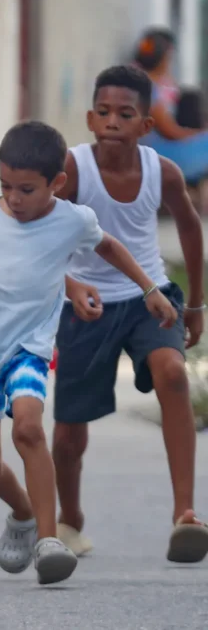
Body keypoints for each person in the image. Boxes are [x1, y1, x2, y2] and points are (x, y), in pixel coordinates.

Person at [0, 120, 179, 585]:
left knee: (28, 427)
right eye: (6, 185)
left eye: (26, 189)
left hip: (29, 346)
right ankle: (23, 513)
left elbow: (110, 247)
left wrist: (149, 289)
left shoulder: (73, 221)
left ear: (56, 183)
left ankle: (49, 540)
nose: (14, 198)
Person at [51, 65, 208, 563]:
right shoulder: (72, 169)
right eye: (103, 112)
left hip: (150, 297)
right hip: (86, 306)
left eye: (125, 113)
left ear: (146, 125)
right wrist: (66, 286)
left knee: (173, 374)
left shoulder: (163, 171)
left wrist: (196, 304)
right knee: (69, 431)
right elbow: (38, 233)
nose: (112, 121)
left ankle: (185, 513)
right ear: (89, 119)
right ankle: (70, 518)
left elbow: (191, 229)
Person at [132, 27, 208, 210]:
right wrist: (199, 134)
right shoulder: (148, 88)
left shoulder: (142, 81)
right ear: (163, 58)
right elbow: (171, 131)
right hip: (158, 153)